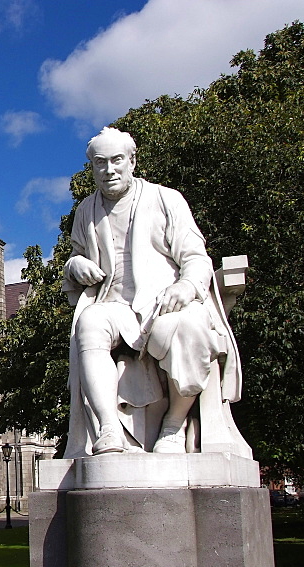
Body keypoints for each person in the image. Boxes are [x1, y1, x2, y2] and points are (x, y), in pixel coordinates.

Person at [61, 127, 242, 458]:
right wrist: (76, 266)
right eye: (100, 163)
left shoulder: (165, 198)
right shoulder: (86, 210)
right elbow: (75, 255)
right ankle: (109, 429)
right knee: (88, 324)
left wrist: (187, 286)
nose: (109, 170)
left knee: (187, 328)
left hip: (165, 301)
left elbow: (195, 257)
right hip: (115, 304)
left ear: (132, 161)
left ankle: (174, 424)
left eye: (117, 160)